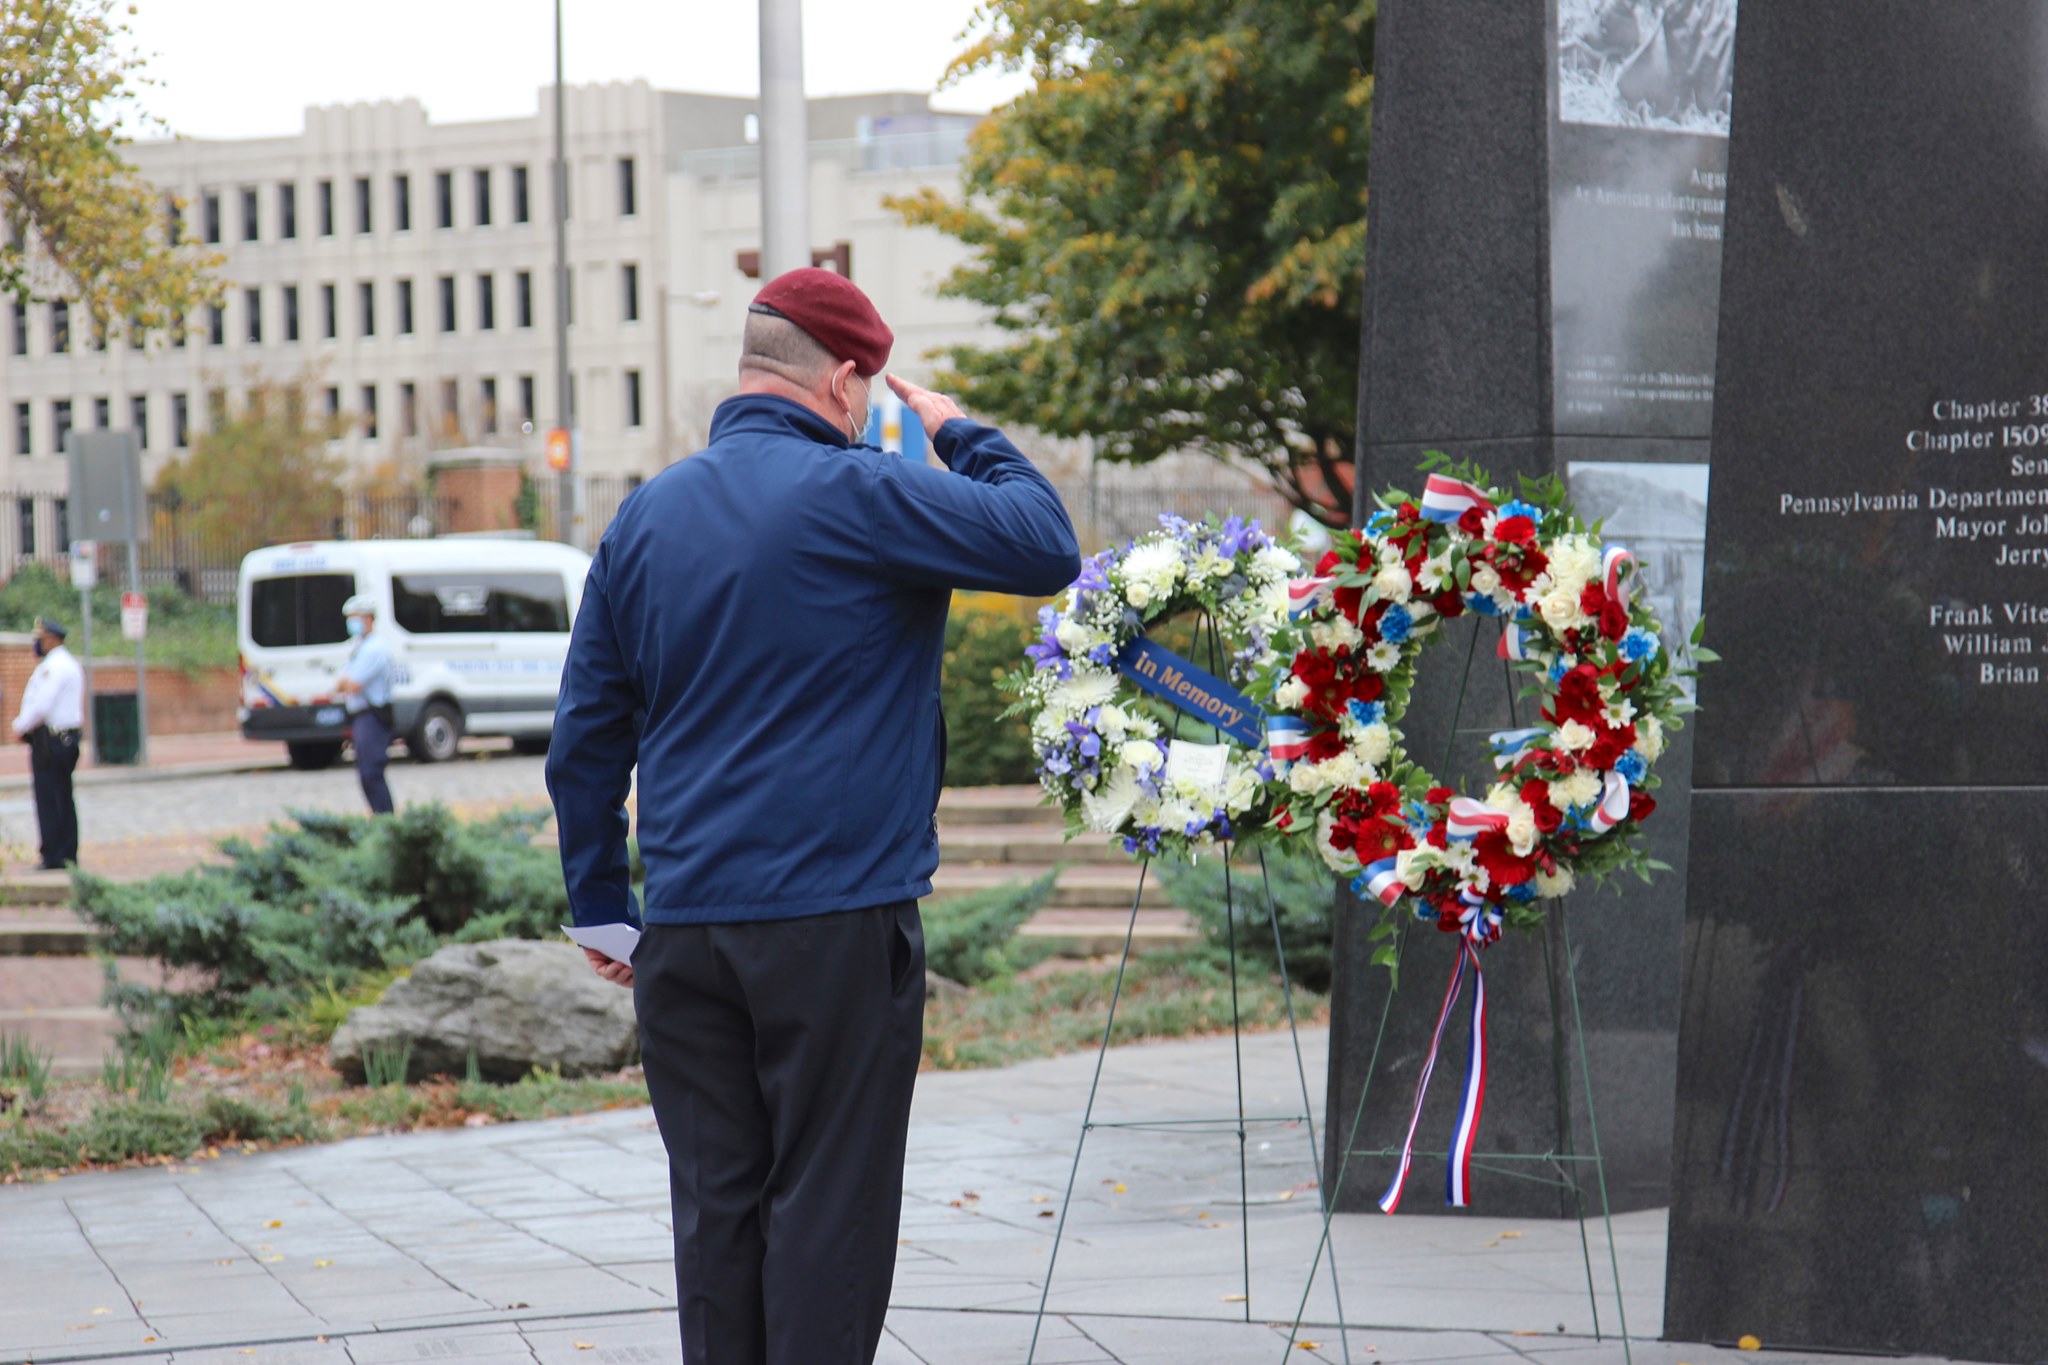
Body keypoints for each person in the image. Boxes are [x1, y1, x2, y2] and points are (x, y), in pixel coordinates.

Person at [548, 266, 1081, 1365]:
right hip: (833, 922)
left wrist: (603, 907)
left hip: (686, 934)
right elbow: (1043, 543)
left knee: (717, 1215)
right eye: (868, 387)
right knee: (826, 1214)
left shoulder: (645, 515)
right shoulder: (862, 493)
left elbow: (585, 740)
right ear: (844, 379)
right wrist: (959, 431)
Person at [12, 615, 85, 870]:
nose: (38, 643)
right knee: (63, 797)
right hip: (64, 739)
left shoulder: (53, 667)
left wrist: (20, 726)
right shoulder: (67, 663)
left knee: (50, 798)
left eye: (41, 639)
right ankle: (66, 853)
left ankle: (54, 856)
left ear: (53, 639)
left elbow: (41, 706)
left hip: (52, 741)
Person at [332, 594, 395, 815]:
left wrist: (346, 682)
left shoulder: (374, 649)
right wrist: (345, 682)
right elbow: (341, 682)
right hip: (361, 716)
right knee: (365, 772)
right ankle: (381, 817)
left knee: (371, 771)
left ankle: (385, 819)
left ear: (367, 618)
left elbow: (354, 683)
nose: (351, 622)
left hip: (373, 716)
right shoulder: (361, 646)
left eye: (354, 617)